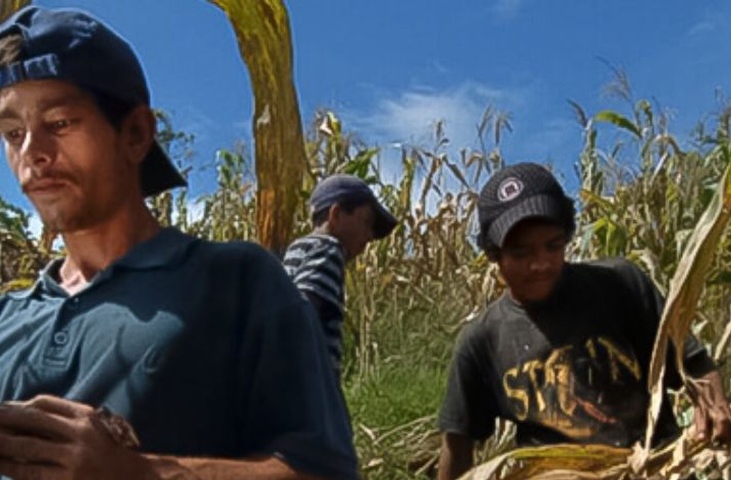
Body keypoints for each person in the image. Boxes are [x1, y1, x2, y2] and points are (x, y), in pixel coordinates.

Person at [0, 6, 359, 480]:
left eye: (61, 123)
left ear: (135, 134)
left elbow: (324, 471)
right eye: (12, 134)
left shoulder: (237, 283)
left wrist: (138, 473)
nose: (33, 154)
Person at [437, 162, 731, 480]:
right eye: (521, 253)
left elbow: (691, 362)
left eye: (553, 246)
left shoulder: (620, 285)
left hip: (652, 464)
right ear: (495, 255)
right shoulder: (482, 340)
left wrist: (713, 404)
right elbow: (458, 441)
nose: (541, 264)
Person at [282, 174, 397, 374]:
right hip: (310, 381)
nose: (370, 236)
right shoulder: (330, 249)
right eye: (367, 222)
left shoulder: (296, 250)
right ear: (335, 214)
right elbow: (306, 308)